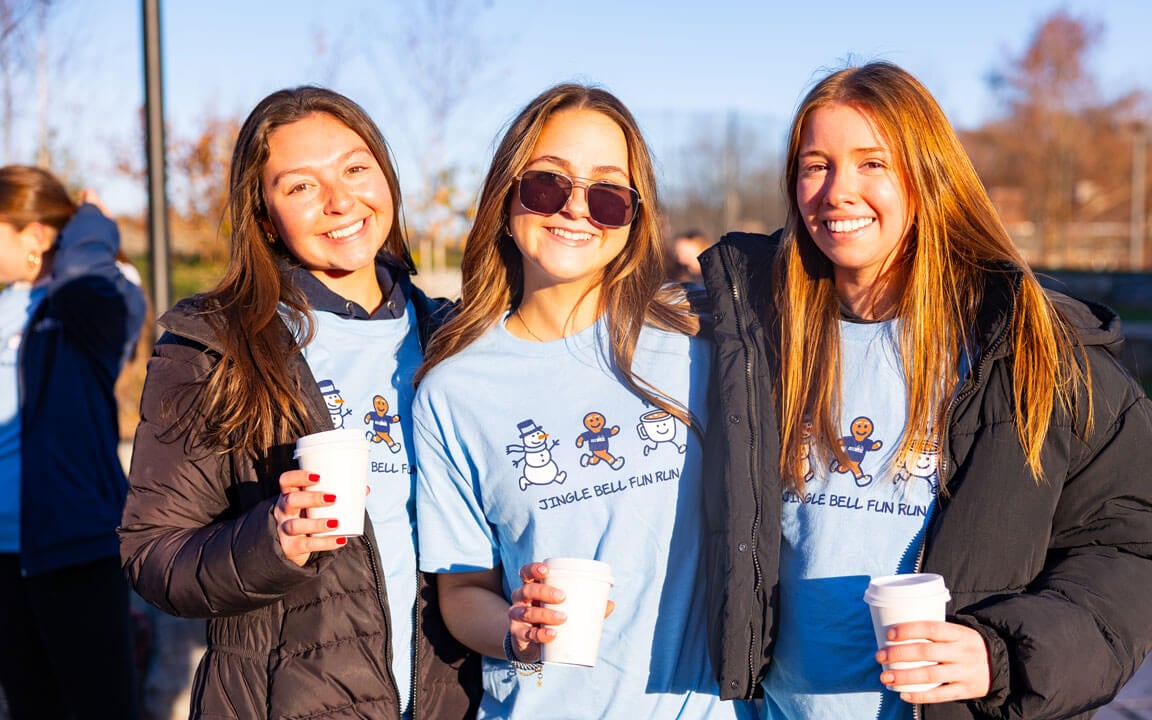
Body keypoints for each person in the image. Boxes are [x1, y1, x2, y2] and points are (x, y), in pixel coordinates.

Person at [698, 62, 1152, 719]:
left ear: (926, 177)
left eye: (872, 163)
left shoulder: (1040, 352)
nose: (837, 191)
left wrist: (999, 655)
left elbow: (1134, 558)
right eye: (815, 165)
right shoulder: (754, 342)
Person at [118, 86, 480, 720]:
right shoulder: (215, 348)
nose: (341, 200)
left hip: (457, 701)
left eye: (355, 168)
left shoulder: (458, 341)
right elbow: (153, 556)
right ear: (264, 216)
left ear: (386, 177)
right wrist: (272, 541)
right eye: (300, 187)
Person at [412, 83, 753, 719]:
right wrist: (516, 632)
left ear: (636, 216)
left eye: (607, 194)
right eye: (547, 184)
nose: (575, 210)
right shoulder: (453, 390)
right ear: (506, 195)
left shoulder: (702, 338)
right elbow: (462, 591)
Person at [0, 167, 146, 719]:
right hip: (5, 554)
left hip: (74, 542)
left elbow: (97, 296)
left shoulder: (101, 288)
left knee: (99, 706)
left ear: (35, 235)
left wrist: (91, 224)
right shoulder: (6, 303)